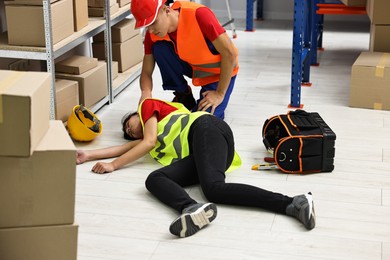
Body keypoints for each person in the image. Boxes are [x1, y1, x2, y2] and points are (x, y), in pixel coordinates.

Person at [76, 98, 316, 238]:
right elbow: (125, 148)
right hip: (205, 152)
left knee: (213, 188)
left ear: (138, 114)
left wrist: (113, 166)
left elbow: (144, 142)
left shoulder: (149, 107)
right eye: (127, 133)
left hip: (206, 129)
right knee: (155, 179)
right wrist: (88, 154)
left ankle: (292, 202)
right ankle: (192, 208)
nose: (129, 130)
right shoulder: (153, 139)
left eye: (129, 123)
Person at [130, 0, 239, 119]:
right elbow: (146, 71)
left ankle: (217, 97)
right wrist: (146, 94)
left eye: (153, 22)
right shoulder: (152, 34)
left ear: (166, 10)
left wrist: (219, 93)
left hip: (218, 73)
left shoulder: (199, 15)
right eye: (147, 26)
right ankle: (184, 96)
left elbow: (229, 54)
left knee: (202, 121)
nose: (150, 30)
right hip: (194, 67)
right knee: (159, 48)